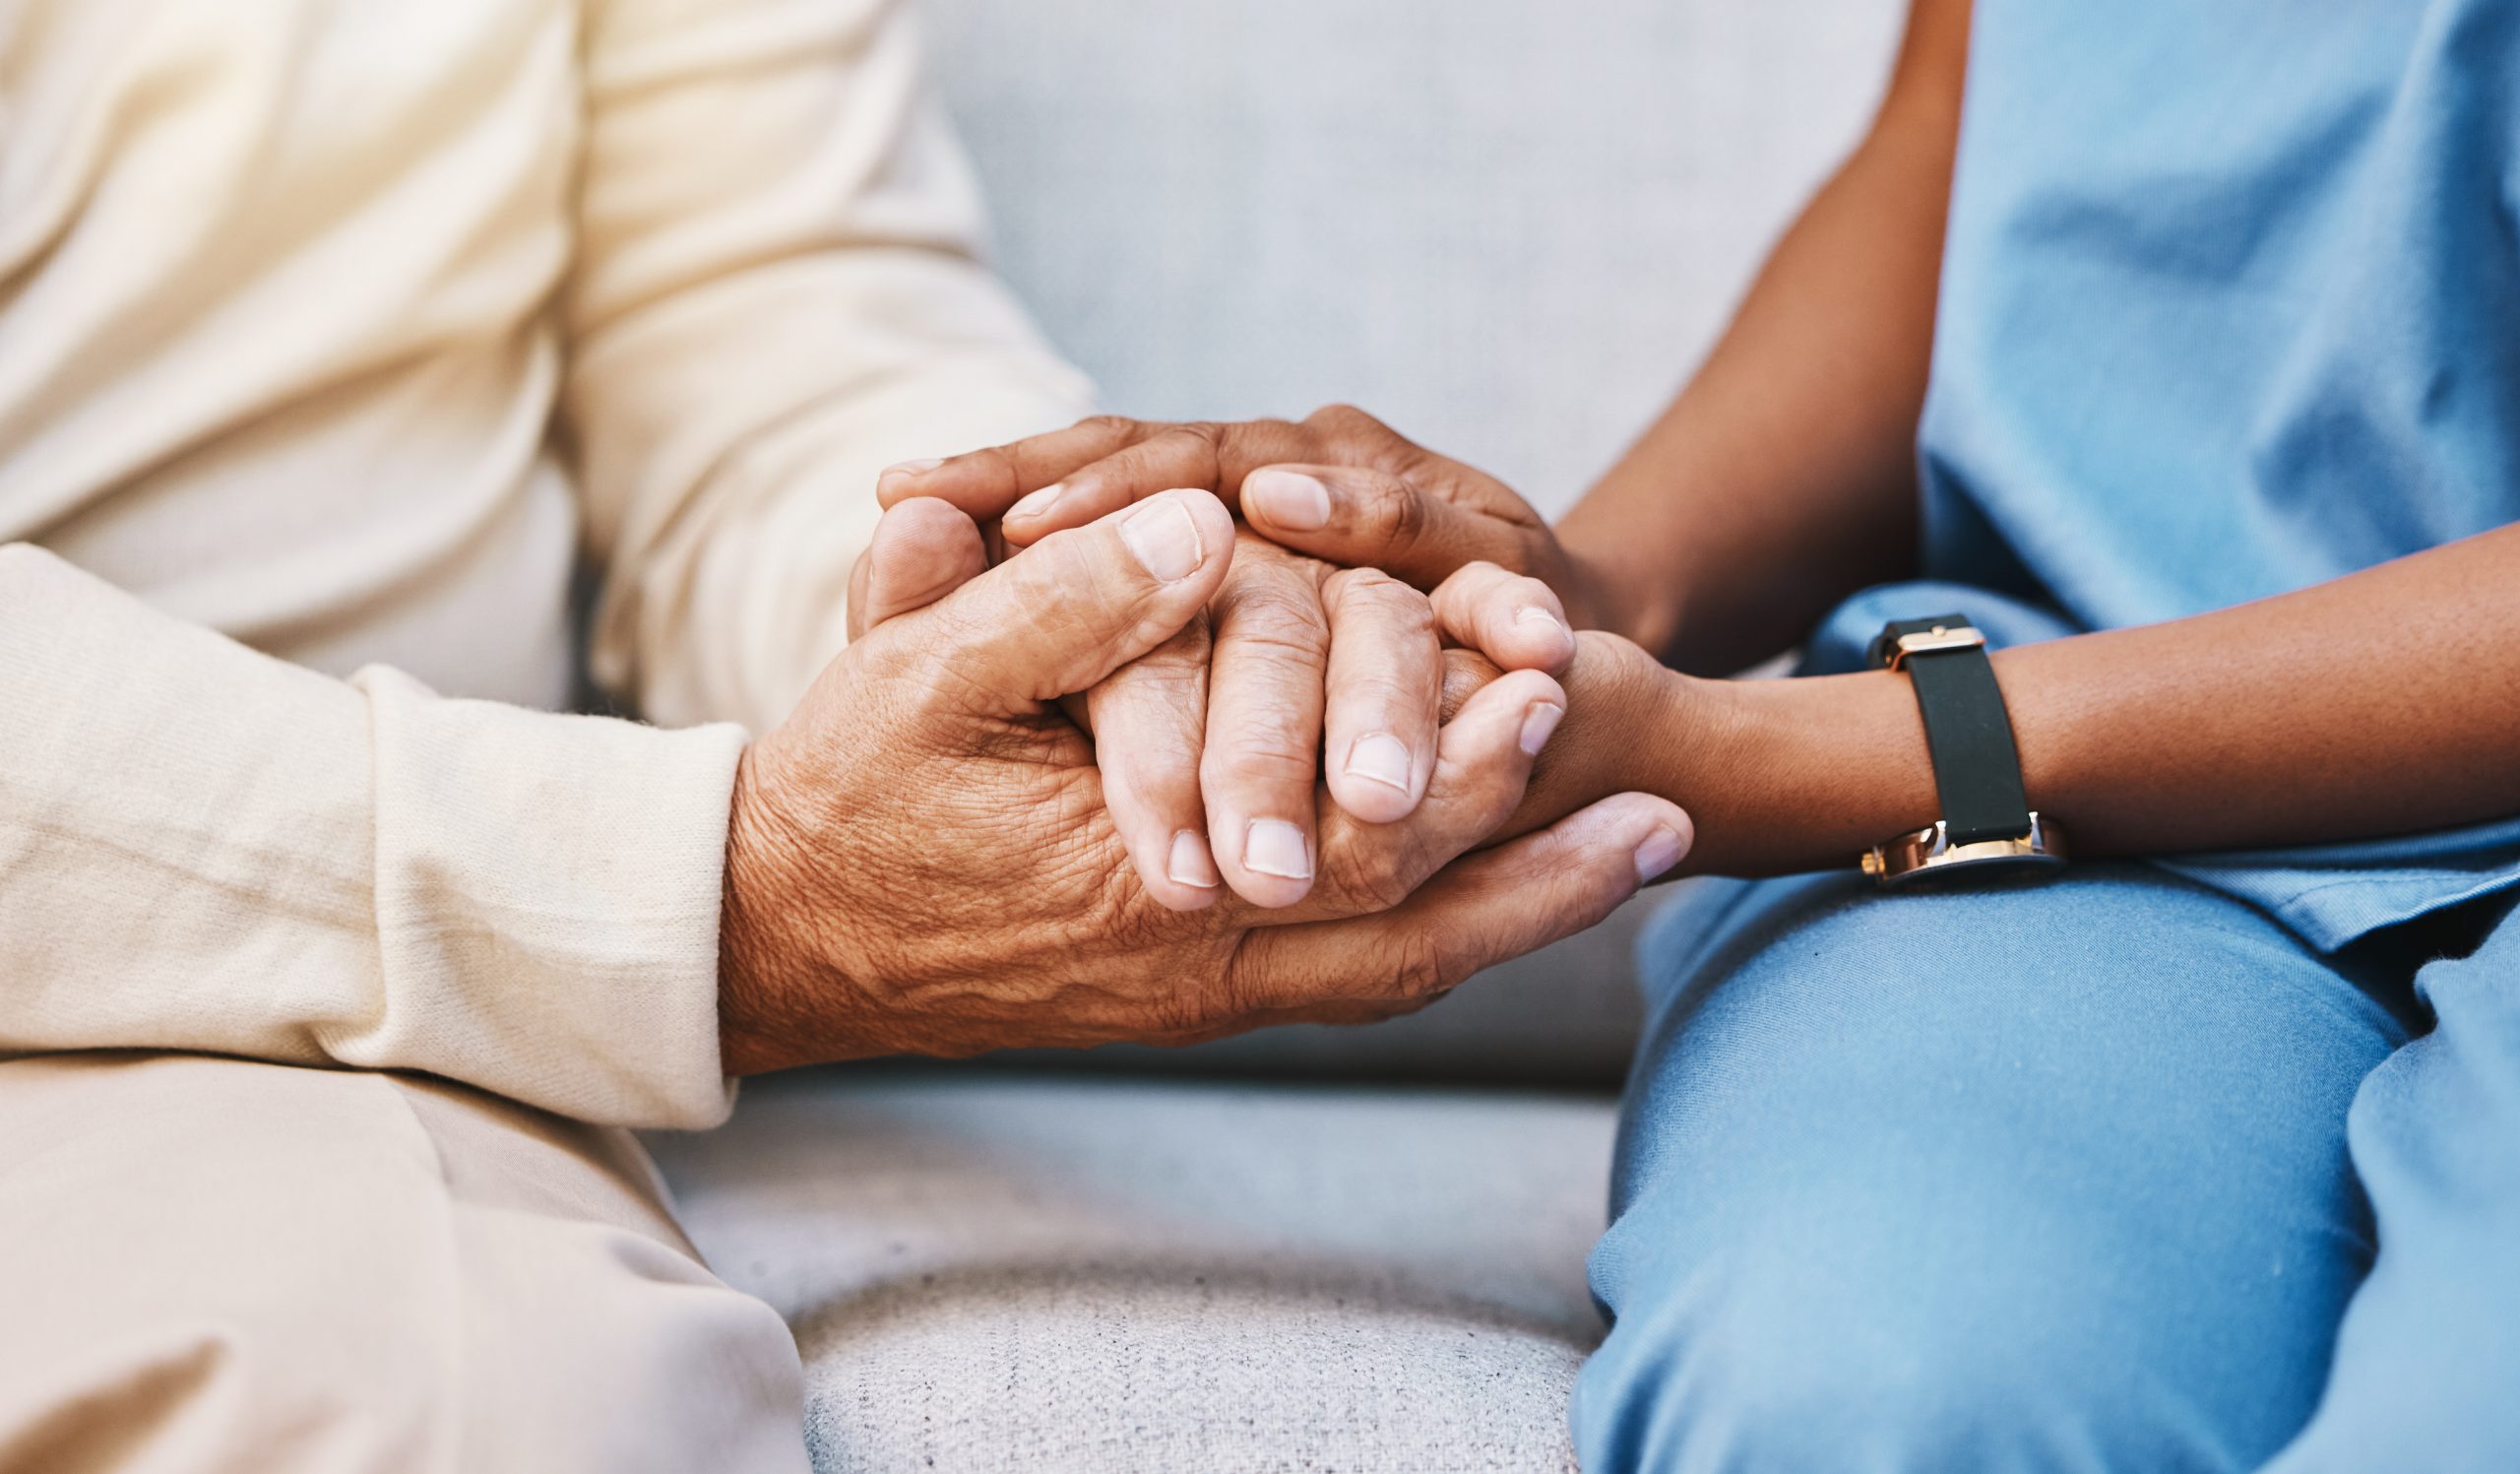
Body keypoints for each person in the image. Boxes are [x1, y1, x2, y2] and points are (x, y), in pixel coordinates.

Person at [0, 1, 1690, 1467]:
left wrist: (1069, 614)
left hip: (285, 1037)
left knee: (473, 1406)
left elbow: (760, 327)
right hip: (309, 902)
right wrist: (701, 897)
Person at [888, 0, 2520, 1466]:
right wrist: (1574, 594)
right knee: (1867, 1387)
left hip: (1983, 755)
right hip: (2093, 837)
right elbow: (1974, 129)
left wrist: (1803, 756)